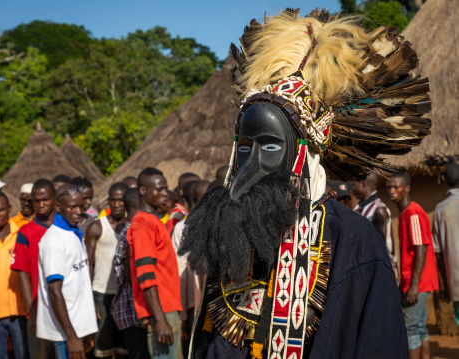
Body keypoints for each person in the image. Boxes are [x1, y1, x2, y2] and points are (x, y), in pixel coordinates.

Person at [178, 8, 431, 358]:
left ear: (304, 152)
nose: (251, 165)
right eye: (245, 147)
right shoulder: (228, 231)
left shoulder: (354, 244)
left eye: (269, 146)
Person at [37, 184, 97, 358]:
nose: (78, 211)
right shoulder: (54, 241)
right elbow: (55, 290)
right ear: (58, 207)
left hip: (77, 328)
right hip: (64, 333)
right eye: (72, 207)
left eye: (81, 206)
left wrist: (86, 327)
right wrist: (71, 336)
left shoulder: (73, 233)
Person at [128, 167, 183, 359]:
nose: (164, 193)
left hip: (166, 310)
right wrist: (160, 320)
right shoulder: (143, 224)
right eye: (159, 189)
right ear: (143, 191)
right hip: (162, 312)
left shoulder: (153, 221)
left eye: (165, 189)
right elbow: (146, 275)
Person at [387, 172, 439, 359]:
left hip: (418, 282)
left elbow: (420, 247)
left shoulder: (413, 212)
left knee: (411, 330)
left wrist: (414, 284)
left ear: (407, 188)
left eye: (396, 187)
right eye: (389, 187)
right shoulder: (405, 213)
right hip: (414, 281)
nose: (391, 191)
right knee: (419, 328)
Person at [11, 178, 57, 359]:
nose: (41, 204)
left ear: (55, 199)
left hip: (66, 309)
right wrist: (32, 311)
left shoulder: (66, 228)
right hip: (40, 310)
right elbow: (23, 273)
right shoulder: (26, 233)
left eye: (45, 199)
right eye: (36, 201)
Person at [85, 182, 129, 358]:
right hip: (102, 293)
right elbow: (88, 264)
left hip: (124, 294)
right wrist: (89, 299)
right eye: (113, 200)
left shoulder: (131, 227)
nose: (116, 204)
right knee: (103, 346)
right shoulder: (97, 227)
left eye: (120, 200)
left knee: (124, 346)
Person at [0, 191, 28, 359]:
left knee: (23, 354)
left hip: (20, 309)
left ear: (9, 209)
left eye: (0, 210)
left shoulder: (22, 234)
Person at [171, 180, 210, 358]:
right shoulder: (182, 227)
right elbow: (179, 269)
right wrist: (183, 311)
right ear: (194, 202)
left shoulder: (219, 225)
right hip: (193, 300)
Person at [111, 187, 150, 359]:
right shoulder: (132, 231)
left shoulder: (131, 229)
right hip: (133, 313)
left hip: (133, 312)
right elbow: (131, 274)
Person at [355, 172, 398, 277]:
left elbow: (379, 247)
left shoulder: (378, 210)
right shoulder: (360, 208)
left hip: (382, 272)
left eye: (355, 183)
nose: (353, 187)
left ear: (363, 184)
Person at [432, 163, 459, 327]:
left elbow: (438, 252)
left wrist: (445, 282)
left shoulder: (440, 209)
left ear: (446, 181)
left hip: (455, 278)